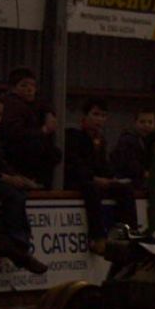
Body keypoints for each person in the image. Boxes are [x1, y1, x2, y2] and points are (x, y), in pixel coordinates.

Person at [65, 98, 137, 255]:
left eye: (103, 116)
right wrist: (94, 178)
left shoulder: (100, 140)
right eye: (95, 114)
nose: (99, 119)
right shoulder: (73, 136)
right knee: (91, 189)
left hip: (97, 179)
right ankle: (97, 237)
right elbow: (73, 164)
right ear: (84, 116)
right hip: (79, 180)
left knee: (125, 189)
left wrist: (112, 177)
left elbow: (103, 165)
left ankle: (128, 232)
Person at [0, 99, 47, 273]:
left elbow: (0, 162)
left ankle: (16, 244)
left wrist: (19, 178)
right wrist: (5, 178)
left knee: (17, 194)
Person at [0, 67, 62, 189]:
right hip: (14, 150)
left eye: (33, 86)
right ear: (13, 88)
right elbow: (15, 133)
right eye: (24, 86)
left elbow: (43, 103)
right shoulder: (12, 105)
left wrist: (49, 113)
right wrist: (42, 131)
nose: (30, 89)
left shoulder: (31, 103)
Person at [110, 108, 155, 189]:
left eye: (150, 122)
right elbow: (129, 163)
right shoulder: (127, 140)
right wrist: (144, 173)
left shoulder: (150, 141)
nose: (146, 125)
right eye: (142, 122)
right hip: (125, 179)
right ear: (135, 123)